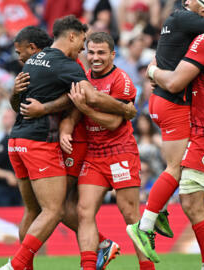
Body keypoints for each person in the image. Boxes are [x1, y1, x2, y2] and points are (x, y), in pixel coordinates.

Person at [9, 25, 136, 270]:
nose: (19, 57)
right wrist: (15, 94)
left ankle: (19, 264)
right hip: (51, 139)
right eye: (88, 48)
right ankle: (98, 246)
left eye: (20, 52)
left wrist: (125, 108)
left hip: (72, 142)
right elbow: (21, 105)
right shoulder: (38, 65)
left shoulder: (70, 66)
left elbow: (81, 99)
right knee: (43, 208)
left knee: (61, 207)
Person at [126, 0, 204, 262]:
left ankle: (156, 215)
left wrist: (153, 69)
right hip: (175, 106)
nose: (186, 0)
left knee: (181, 178)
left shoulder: (187, 27)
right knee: (176, 170)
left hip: (163, 103)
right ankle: (145, 225)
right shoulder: (193, 25)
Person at [0, 15, 89, 270]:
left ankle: (23, 266)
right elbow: (81, 96)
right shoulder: (64, 63)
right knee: (54, 210)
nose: (84, 46)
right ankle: (16, 265)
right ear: (72, 36)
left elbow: (18, 107)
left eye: (20, 51)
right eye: (82, 39)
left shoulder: (32, 64)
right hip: (39, 141)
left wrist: (16, 94)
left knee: (33, 211)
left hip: (16, 141)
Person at [59, 31, 152, 270]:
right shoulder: (82, 78)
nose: (95, 57)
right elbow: (72, 115)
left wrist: (85, 108)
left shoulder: (122, 79)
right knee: (83, 212)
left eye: (101, 53)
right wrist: (65, 131)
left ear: (113, 54)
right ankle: (89, 266)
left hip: (121, 153)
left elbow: (113, 123)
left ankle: (147, 267)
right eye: (91, 52)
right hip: (94, 155)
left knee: (130, 215)